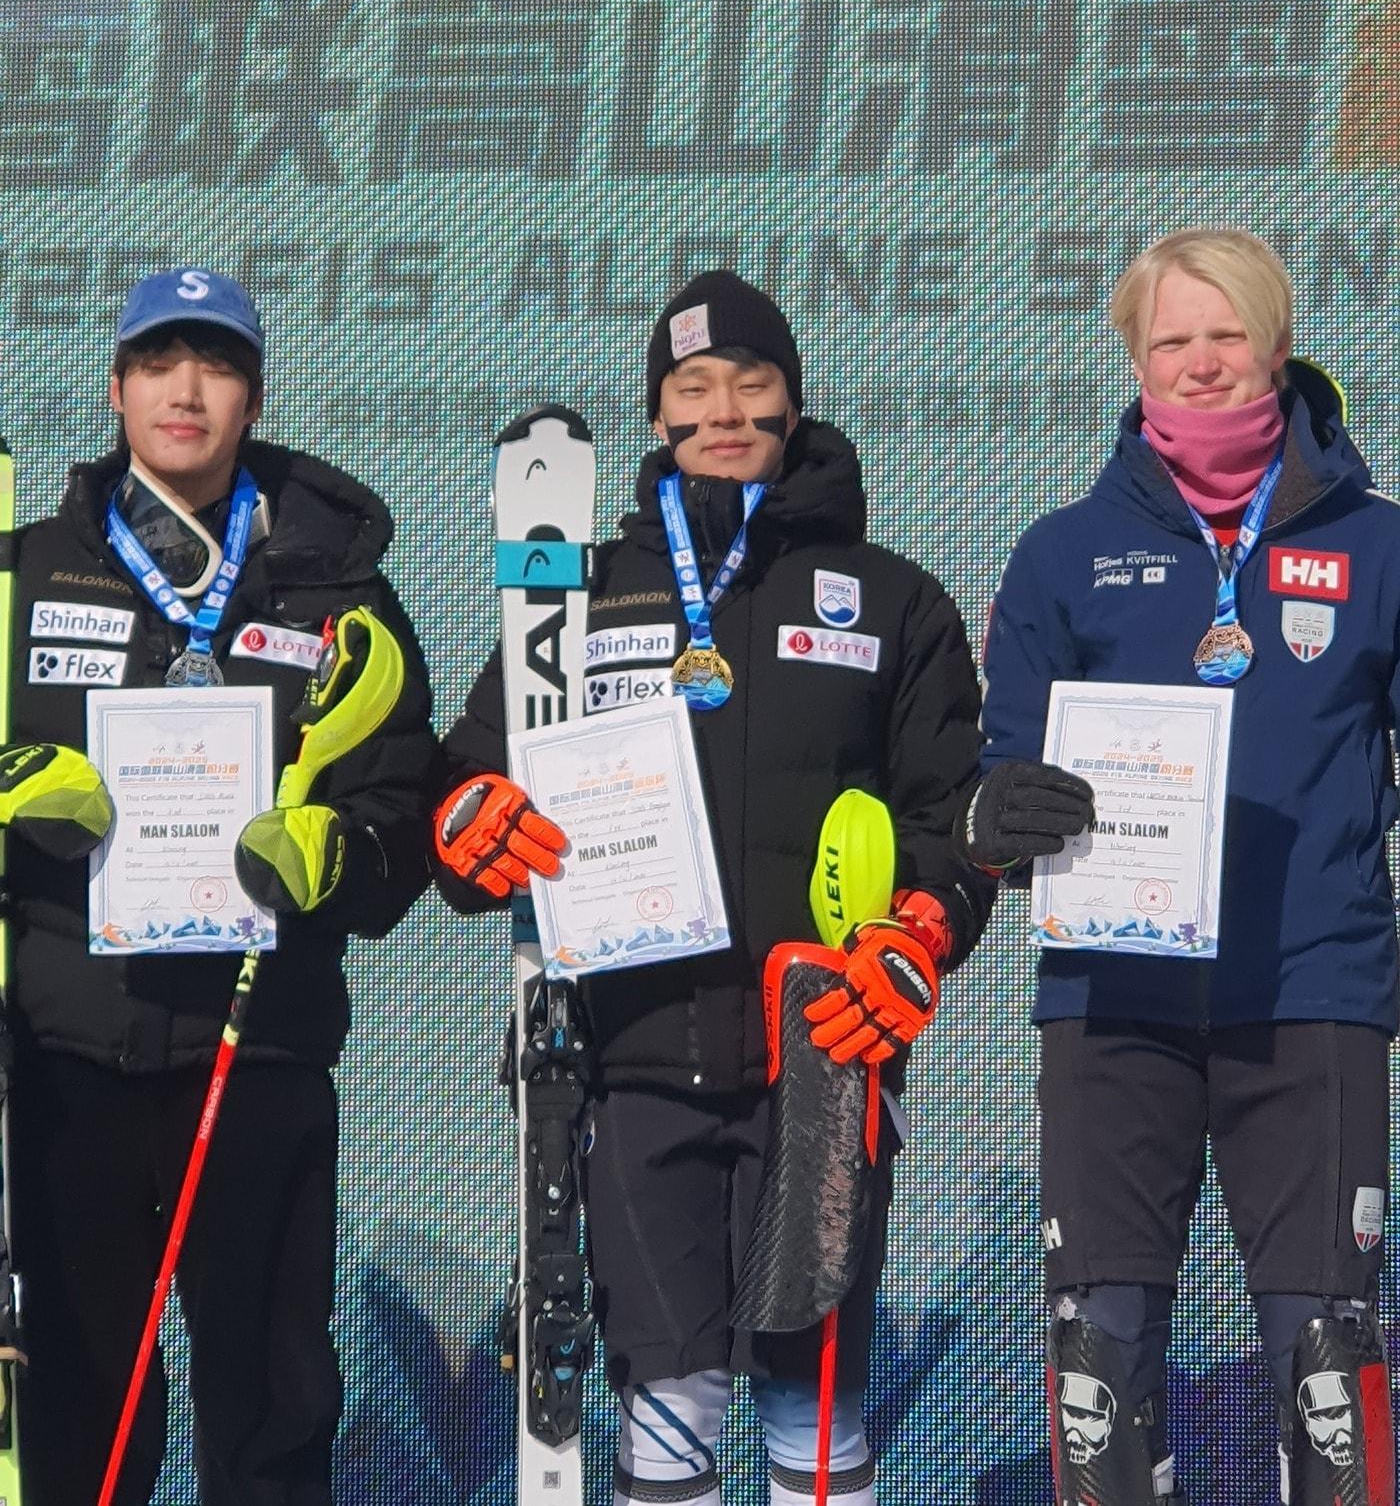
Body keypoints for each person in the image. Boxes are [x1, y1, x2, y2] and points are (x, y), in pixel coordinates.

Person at [433, 270, 1000, 1506]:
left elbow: (952, 816)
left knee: (812, 1385)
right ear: (657, 415)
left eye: (752, 383)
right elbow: (473, 779)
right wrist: (467, 820)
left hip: (824, 1057)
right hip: (635, 1054)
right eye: (693, 388)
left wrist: (921, 930)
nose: (723, 409)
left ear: (790, 405)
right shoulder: (573, 596)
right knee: (668, 1392)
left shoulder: (889, 597)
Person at [976, 228, 1400, 1504]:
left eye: (1225, 335)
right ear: (1137, 361)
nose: (1201, 363)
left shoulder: (1376, 546)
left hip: (1312, 989)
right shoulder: (1060, 553)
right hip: (1114, 1002)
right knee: (1094, 1364)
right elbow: (997, 775)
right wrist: (1002, 812)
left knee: (1327, 1368)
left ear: (1276, 346)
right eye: (1173, 340)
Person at [3, 268, 435, 1505]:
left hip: (259, 1052)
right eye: (157, 363)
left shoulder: (335, 588)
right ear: (114, 390)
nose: (184, 390)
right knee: (84, 1399)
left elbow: (401, 803)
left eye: (216, 366)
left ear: (253, 397)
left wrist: (334, 854)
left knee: (273, 1403)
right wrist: (13, 786)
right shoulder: (21, 576)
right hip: (68, 1056)